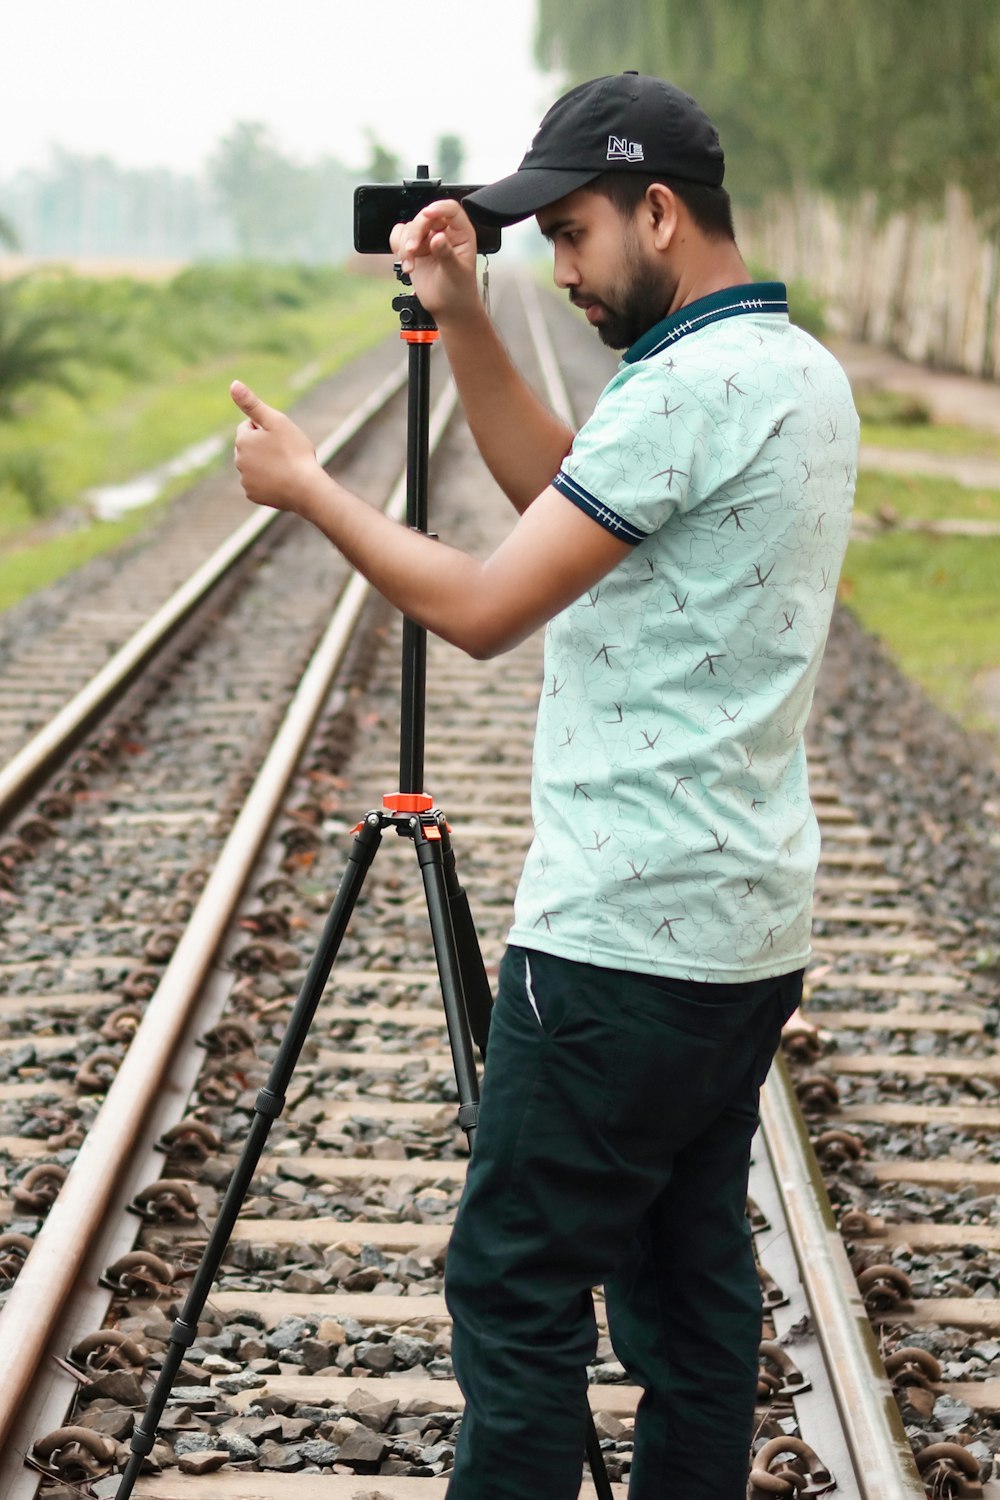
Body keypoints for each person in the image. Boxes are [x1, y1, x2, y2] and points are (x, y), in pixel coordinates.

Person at [231, 71, 859, 1500]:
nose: (563, 271)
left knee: (512, 1297)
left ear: (657, 210)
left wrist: (314, 487)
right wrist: (462, 317)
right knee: (692, 1306)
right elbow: (566, 503)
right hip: (739, 935)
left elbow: (485, 606)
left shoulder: (686, 391)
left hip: (618, 946)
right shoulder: (789, 373)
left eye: (571, 236)